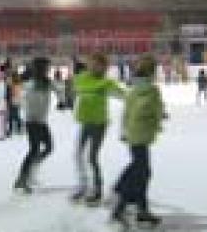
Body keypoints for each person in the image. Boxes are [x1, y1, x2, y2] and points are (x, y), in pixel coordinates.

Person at [110, 54, 166, 229]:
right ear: (152, 72)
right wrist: (158, 120)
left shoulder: (134, 89)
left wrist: (124, 131)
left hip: (135, 134)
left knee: (142, 171)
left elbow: (127, 112)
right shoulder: (151, 90)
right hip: (140, 135)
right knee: (141, 172)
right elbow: (156, 110)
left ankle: (139, 207)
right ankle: (123, 206)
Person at [71, 52, 125, 205]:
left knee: (92, 157)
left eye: (98, 64)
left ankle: (97, 189)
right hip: (85, 122)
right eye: (92, 63)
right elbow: (78, 86)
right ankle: (83, 184)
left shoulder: (107, 83)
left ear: (104, 67)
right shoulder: (82, 78)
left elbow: (123, 95)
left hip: (99, 124)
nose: (94, 66)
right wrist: (98, 87)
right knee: (78, 155)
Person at [13, 57, 57, 194]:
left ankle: (30, 171)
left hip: (42, 121)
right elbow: (18, 99)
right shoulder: (30, 84)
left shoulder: (47, 83)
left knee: (48, 147)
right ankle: (22, 179)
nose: (47, 70)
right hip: (32, 121)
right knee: (34, 149)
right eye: (46, 68)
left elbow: (60, 92)